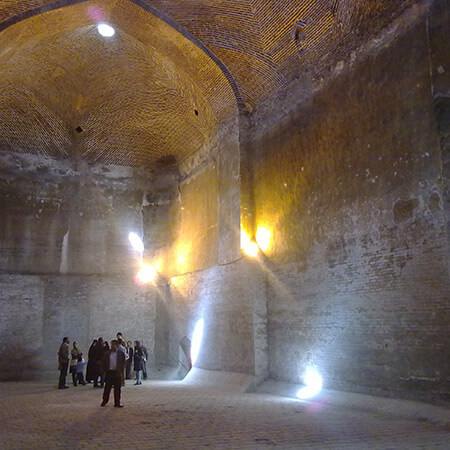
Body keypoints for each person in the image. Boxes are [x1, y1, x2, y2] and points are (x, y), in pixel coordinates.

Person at [101, 340, 126, 408]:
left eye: (114, 345)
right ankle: (105, 400)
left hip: (117, 372)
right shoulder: (107, 353)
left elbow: (123, 363)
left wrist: (121, 370)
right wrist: (104, 370)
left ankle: (117, 402)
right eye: (112, 345)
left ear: (117, 345)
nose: (112, 346)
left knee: (117, 388)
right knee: (107, 388)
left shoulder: (121, 354)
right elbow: (103, 362)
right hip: (109, 372)